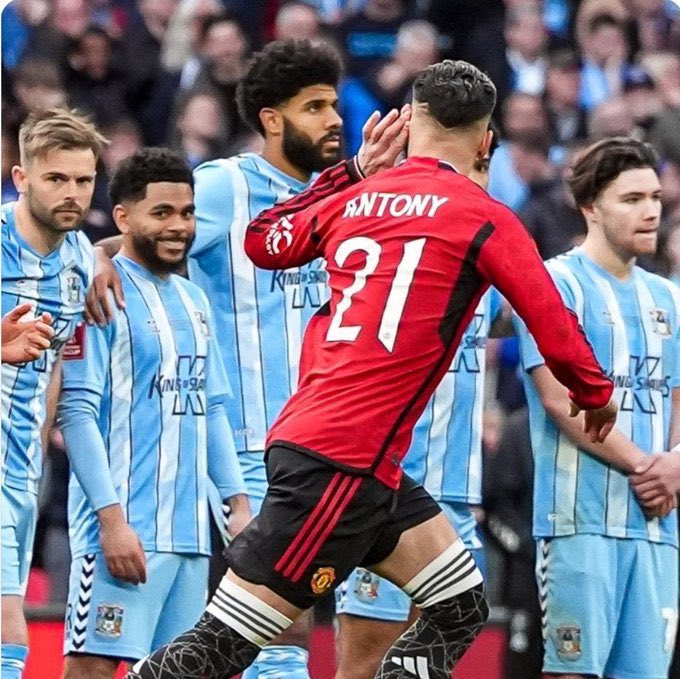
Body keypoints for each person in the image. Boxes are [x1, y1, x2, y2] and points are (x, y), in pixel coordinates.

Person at [126, 59, 617, 679]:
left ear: (409, 122)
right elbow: (551, 320)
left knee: (460, 604)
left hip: (352, 457)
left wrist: (351, 171)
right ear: (488, 140)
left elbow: (263, 240)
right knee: (222, 647)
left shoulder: (356, 197)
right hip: (339, 465)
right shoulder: (486, 216)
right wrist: (596, 394)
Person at [87, 39, 408, 679]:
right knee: (276, 617)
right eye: (314, 107)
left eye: (334, 105)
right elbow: (132, 239)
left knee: (286, 620)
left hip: (326, 443)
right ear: (270, 118)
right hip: (245, 441)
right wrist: (96, 259)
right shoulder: (222, 186)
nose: (334, 120)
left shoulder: (345, 196)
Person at [58, 147, 250, 679]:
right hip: (125, 531)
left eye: (186, 213)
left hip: (190, 537)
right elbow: (76, 413)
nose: (179, 227)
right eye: (161, 213)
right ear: (123, 217)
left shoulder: (193, 300)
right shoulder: (100, 294)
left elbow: (209, 405)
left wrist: (237, 502)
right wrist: (111, 523)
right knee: (93, 668)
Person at [334, 128, 504, 679]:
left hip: (455, 494)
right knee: (364, 662)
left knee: (428, 667)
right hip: (389, 489)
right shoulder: (380, 253)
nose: (475, 181)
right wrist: (109, 250)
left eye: (483, 168)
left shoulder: (492, 253)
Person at [515, 137, 680, 679]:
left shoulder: (670, 298)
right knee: (573, 674)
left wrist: (676, 462)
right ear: (591, 207)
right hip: (579, 524)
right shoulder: (553, 285)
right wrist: (647, 466)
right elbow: (559, 400)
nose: (651, 210)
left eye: (655, 196)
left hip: (657, 527)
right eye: (631, 198)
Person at [1, 108, 106, 679]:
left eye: (83, 180)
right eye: (56, 179)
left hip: (23, 468)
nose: (72, 193)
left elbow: (56, 374)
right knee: (6, 623)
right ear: (21, 178)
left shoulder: (78, 258)